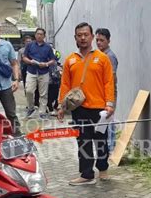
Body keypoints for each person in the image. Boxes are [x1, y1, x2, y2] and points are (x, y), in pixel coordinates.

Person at [57, 22, 115, 185]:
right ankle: (87, 174)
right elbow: (65, 85)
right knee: (83, 141)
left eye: (86, 35)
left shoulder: (102, 58)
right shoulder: (70, 60)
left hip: (99, 108)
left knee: (101, 140)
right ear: (75, 37)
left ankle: (103, 169)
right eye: (79, 35)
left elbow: (108, 82)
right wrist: (61, 106)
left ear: (91, 37)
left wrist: (109, 104)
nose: (82, 38)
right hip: (78, 108)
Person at [23, 28, 56, 119]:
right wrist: (30, 61)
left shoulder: (48, 47)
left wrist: (46, 64)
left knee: (43, 94)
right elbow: (24, 57)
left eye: (41, 34)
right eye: (38, 34)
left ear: (44, 36)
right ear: (35, 35)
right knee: (29, 90)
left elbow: (53, 60)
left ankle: (42, 112)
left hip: (43, 72)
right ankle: (31, 108)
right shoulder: (30, 45)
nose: (39, 35)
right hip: (31, 71)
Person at [95, 28, 118, 152]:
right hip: (101, 92)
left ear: (108, 41)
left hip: (109, 93)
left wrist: (109, 96)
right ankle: (106, 146)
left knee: (109, 119)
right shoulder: (100, 55)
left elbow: (111, 78)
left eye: (102, 40)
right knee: (104, 119)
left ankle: (110, 147)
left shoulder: (110, 56)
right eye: (97, 40)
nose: (99, 43)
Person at [47, 48, 62, 115]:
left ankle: (54, 105)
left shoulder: (57, 63)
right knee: (50, 95)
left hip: (56, 81)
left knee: (56, 94)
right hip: (49, 81)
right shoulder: (47, 63)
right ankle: (49, 107)